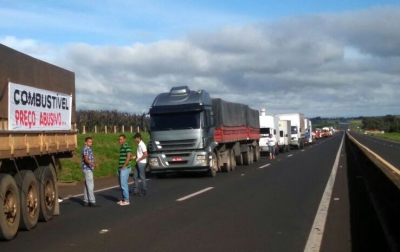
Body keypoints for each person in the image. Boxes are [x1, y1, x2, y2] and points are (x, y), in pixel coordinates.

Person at [82, 136, 99, 207]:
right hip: (87, 169)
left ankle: (86, 200)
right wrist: (93, 164)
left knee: (87, 185)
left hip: (88, 169)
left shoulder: (88, 149)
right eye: (89, 142)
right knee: (90, 185)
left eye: (91, 142)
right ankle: (92, 201)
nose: (90, 143)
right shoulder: (86, 149)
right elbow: (86, 159)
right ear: (85, 142)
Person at [117, 134, 132, 206]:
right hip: (120, 167)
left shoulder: (126, 146)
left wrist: (124, 165)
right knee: (121, 183)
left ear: (124, 139)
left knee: (124, 183)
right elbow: (130, 156)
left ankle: (126, 200)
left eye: (121, 139)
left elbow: (128, 156)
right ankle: (124, 199)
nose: (120, 141)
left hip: (124, 168)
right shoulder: (122, 147)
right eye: (119, 139)